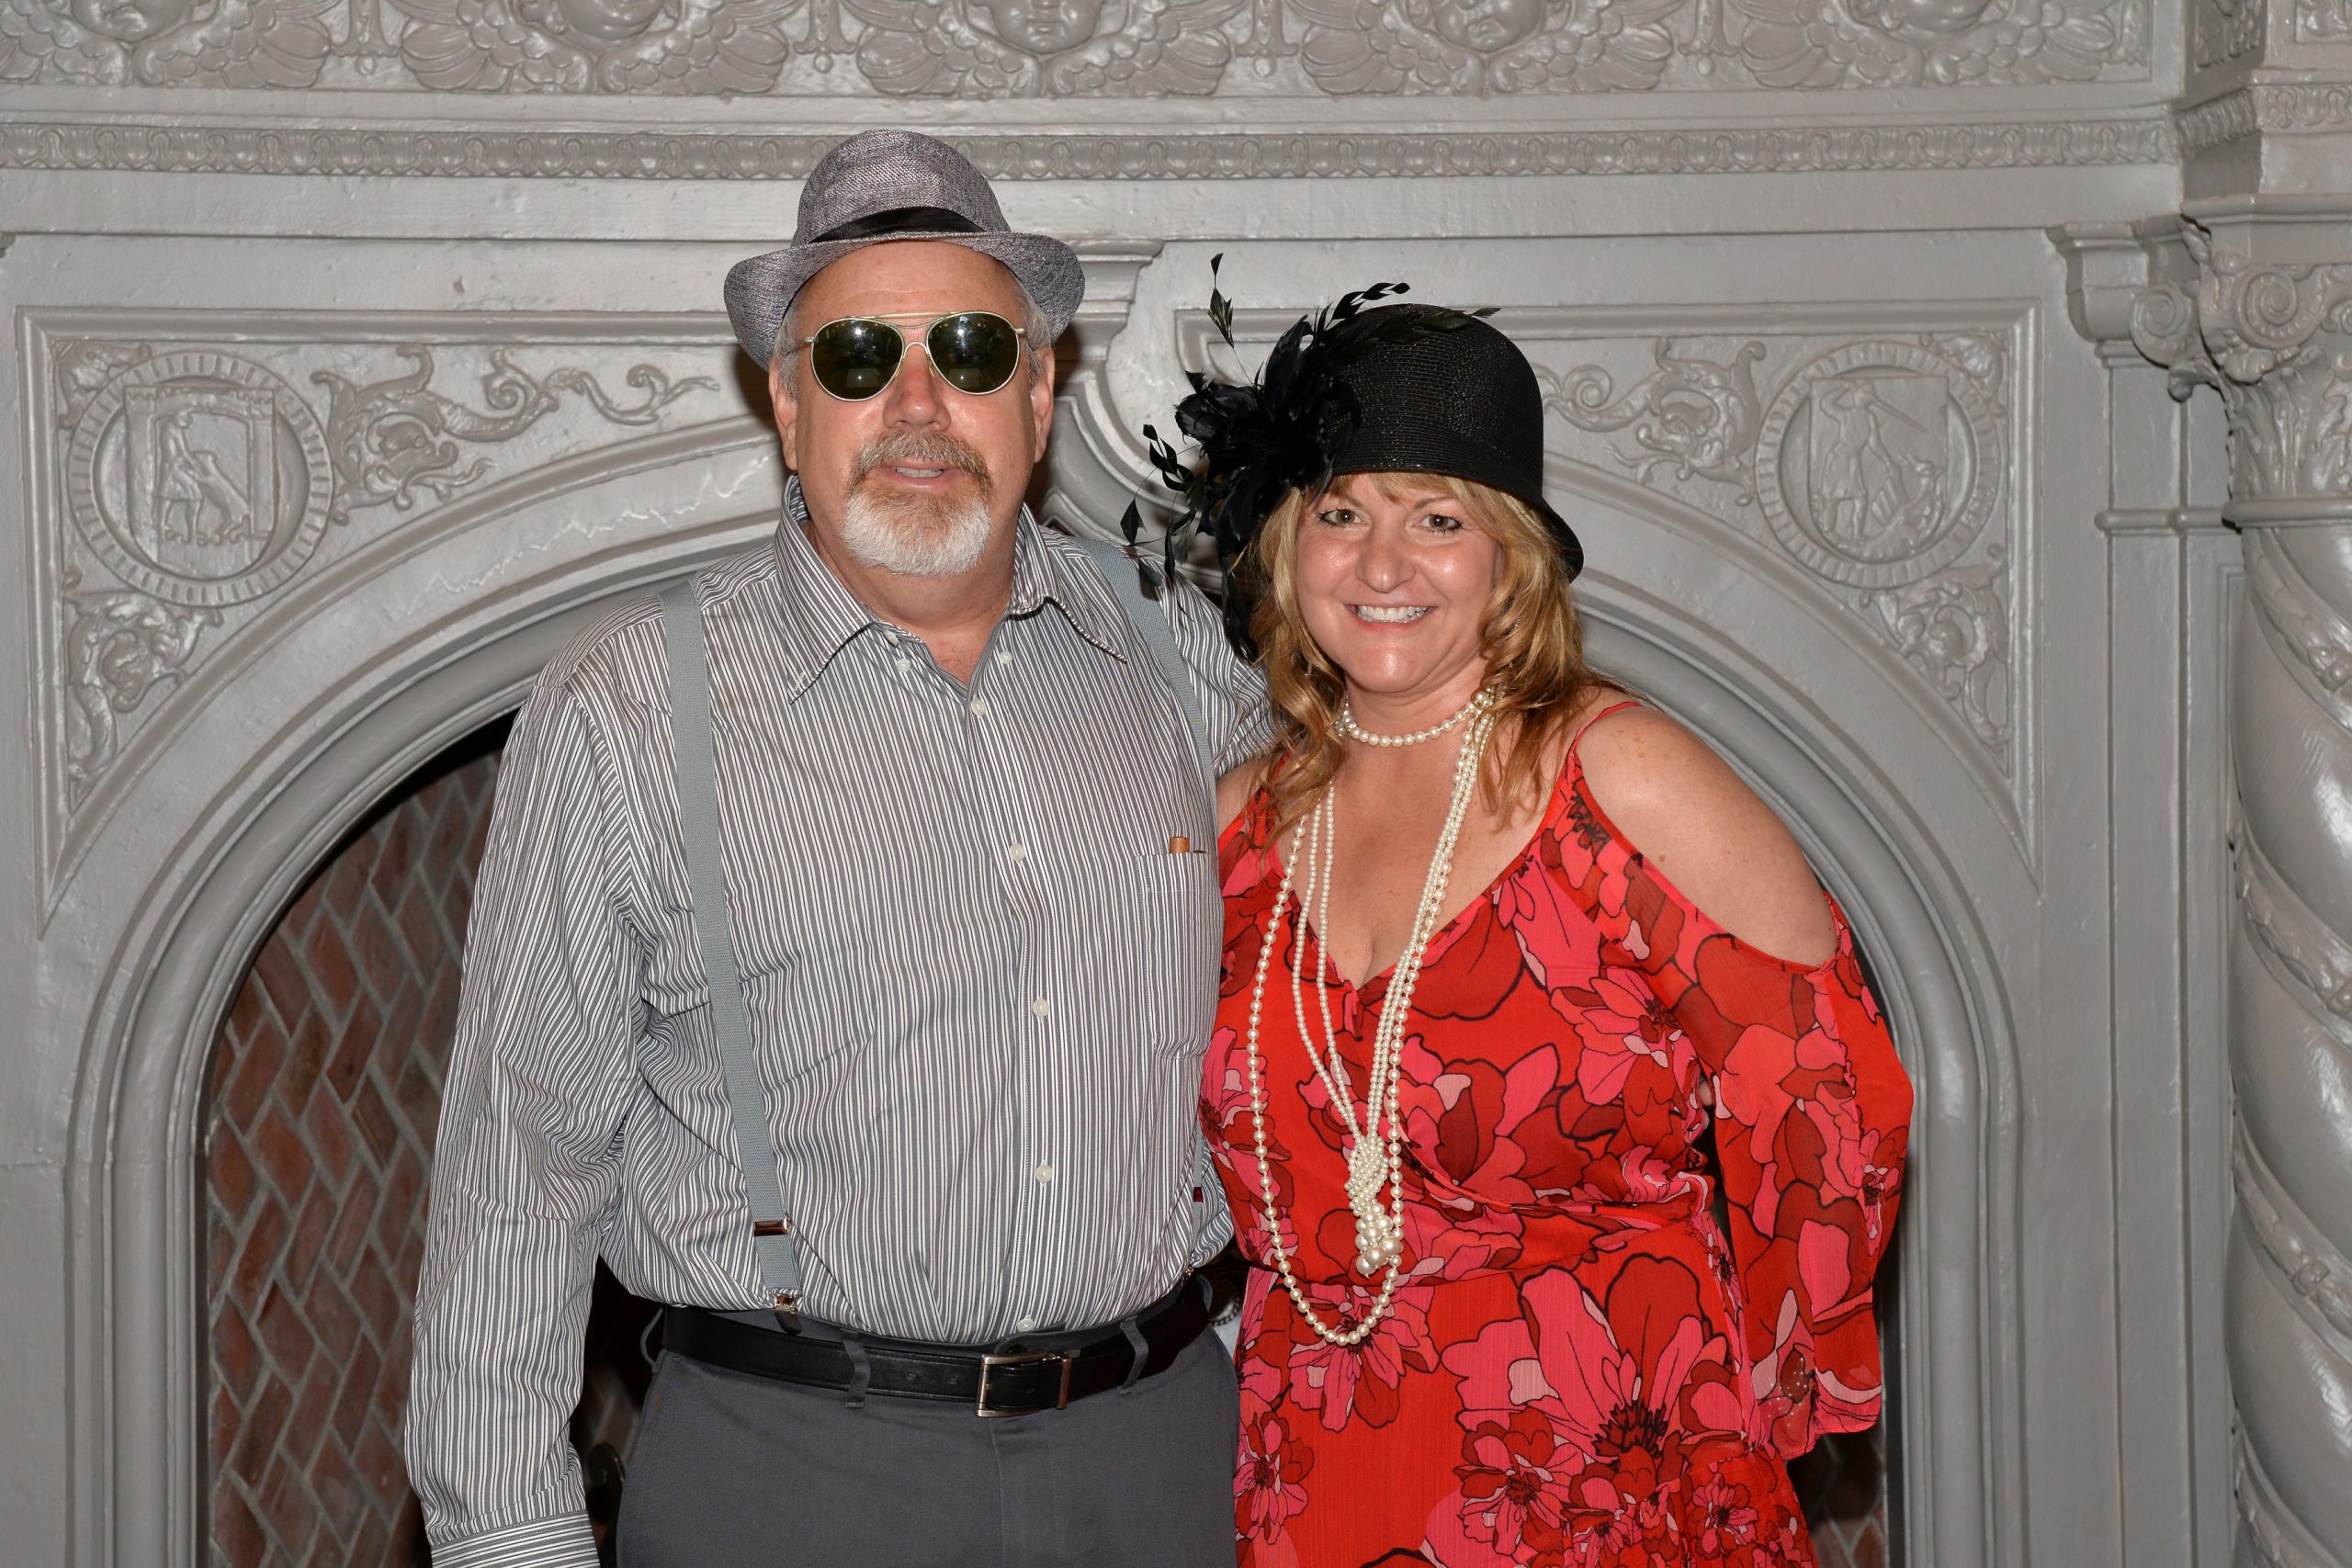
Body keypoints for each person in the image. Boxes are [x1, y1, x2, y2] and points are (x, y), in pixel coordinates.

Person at [404, 129, 1265, 1568]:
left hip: (1162, 1459)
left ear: (1037, 393)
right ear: (790, 405)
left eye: (971, 352)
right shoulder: (630, 707)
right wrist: (511, 1545)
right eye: (859, 357)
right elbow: (521, 1173)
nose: (919, 403)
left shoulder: (1189, 666)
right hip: (790, 1478)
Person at [1158, 291, 1915, 1564]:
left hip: (1612, 1483)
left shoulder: (1620, 778)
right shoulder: (1236, 831)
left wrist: (1769, 1391)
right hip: (1320, 1473)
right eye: (1341, 514)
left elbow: (1827, 1092)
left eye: (1438, 519)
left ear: (1509, 558)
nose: (1382, 565)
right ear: (1286, 548)